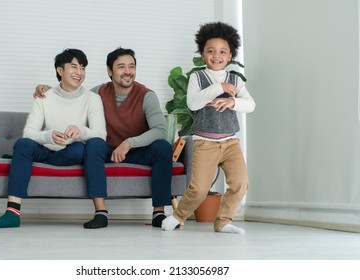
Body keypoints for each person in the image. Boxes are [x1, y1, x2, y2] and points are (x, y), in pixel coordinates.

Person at [34, 47, 173, 229]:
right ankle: (101, 212)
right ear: (110, 71)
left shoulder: (147, 96)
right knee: (93, 143)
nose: (128, 71)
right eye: (121, 67)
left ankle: (159, 213)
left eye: (131, 66)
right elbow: (72, 97)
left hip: (138, 150)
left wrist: (129, 143)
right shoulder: (98, 92)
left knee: (163, 147)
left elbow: (160, 130)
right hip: (106, 150)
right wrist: (48, 90)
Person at [0, 48, 107, 229]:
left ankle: (21, 160)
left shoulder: (92, 99)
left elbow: (100, 134)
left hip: (71, 151)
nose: (79, 72)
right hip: (47, 147)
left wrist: (81, 131)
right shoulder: (44, 96)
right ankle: (12, 213)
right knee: (22, 144)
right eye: (74, 67)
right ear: (60, 70)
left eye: (82, 68)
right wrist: (48, 135)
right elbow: (29, 133)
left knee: (78, 149)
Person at [161, 22, 255, 233]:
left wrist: (233, 102)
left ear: (230, 56)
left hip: (230, 142)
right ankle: (177, 216)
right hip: (205, 143)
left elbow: (251, 104)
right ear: (203, 54)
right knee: (199, 189)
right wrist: (218, 88)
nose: (216, 56)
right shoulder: (197, 77)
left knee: (240, 183)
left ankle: (223, 222)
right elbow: (193, 103)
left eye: (223, 52)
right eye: (210, 51)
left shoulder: (235, 80)